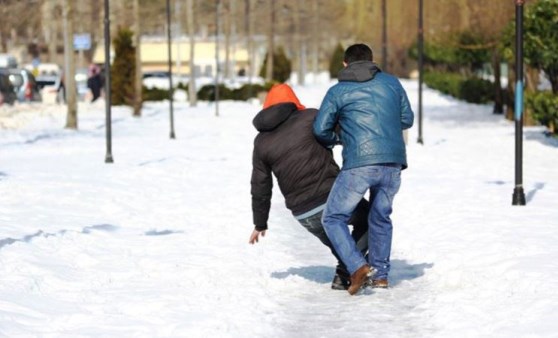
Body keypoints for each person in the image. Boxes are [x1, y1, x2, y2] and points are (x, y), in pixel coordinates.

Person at [313, 43, 414, 295]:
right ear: (372, 61)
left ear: (345, 63)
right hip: (392, 162)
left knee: (333, 217)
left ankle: (357, 266)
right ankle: (380, 275)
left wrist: (341, 137)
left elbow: (320, 129)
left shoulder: (338, 91)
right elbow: (407, 119)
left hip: (359, 163)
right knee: (380, 217)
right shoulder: (391, 83)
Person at [249, 83, 369, 290]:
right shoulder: (310, 117)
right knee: (372, 219)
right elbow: (345, 132)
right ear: (293, 101)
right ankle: (346, 271)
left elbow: (260, 185)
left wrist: (260, 223)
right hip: (332, 197)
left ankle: (346, 275)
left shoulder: (260, 142)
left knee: (341, 246)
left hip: (303, 213)